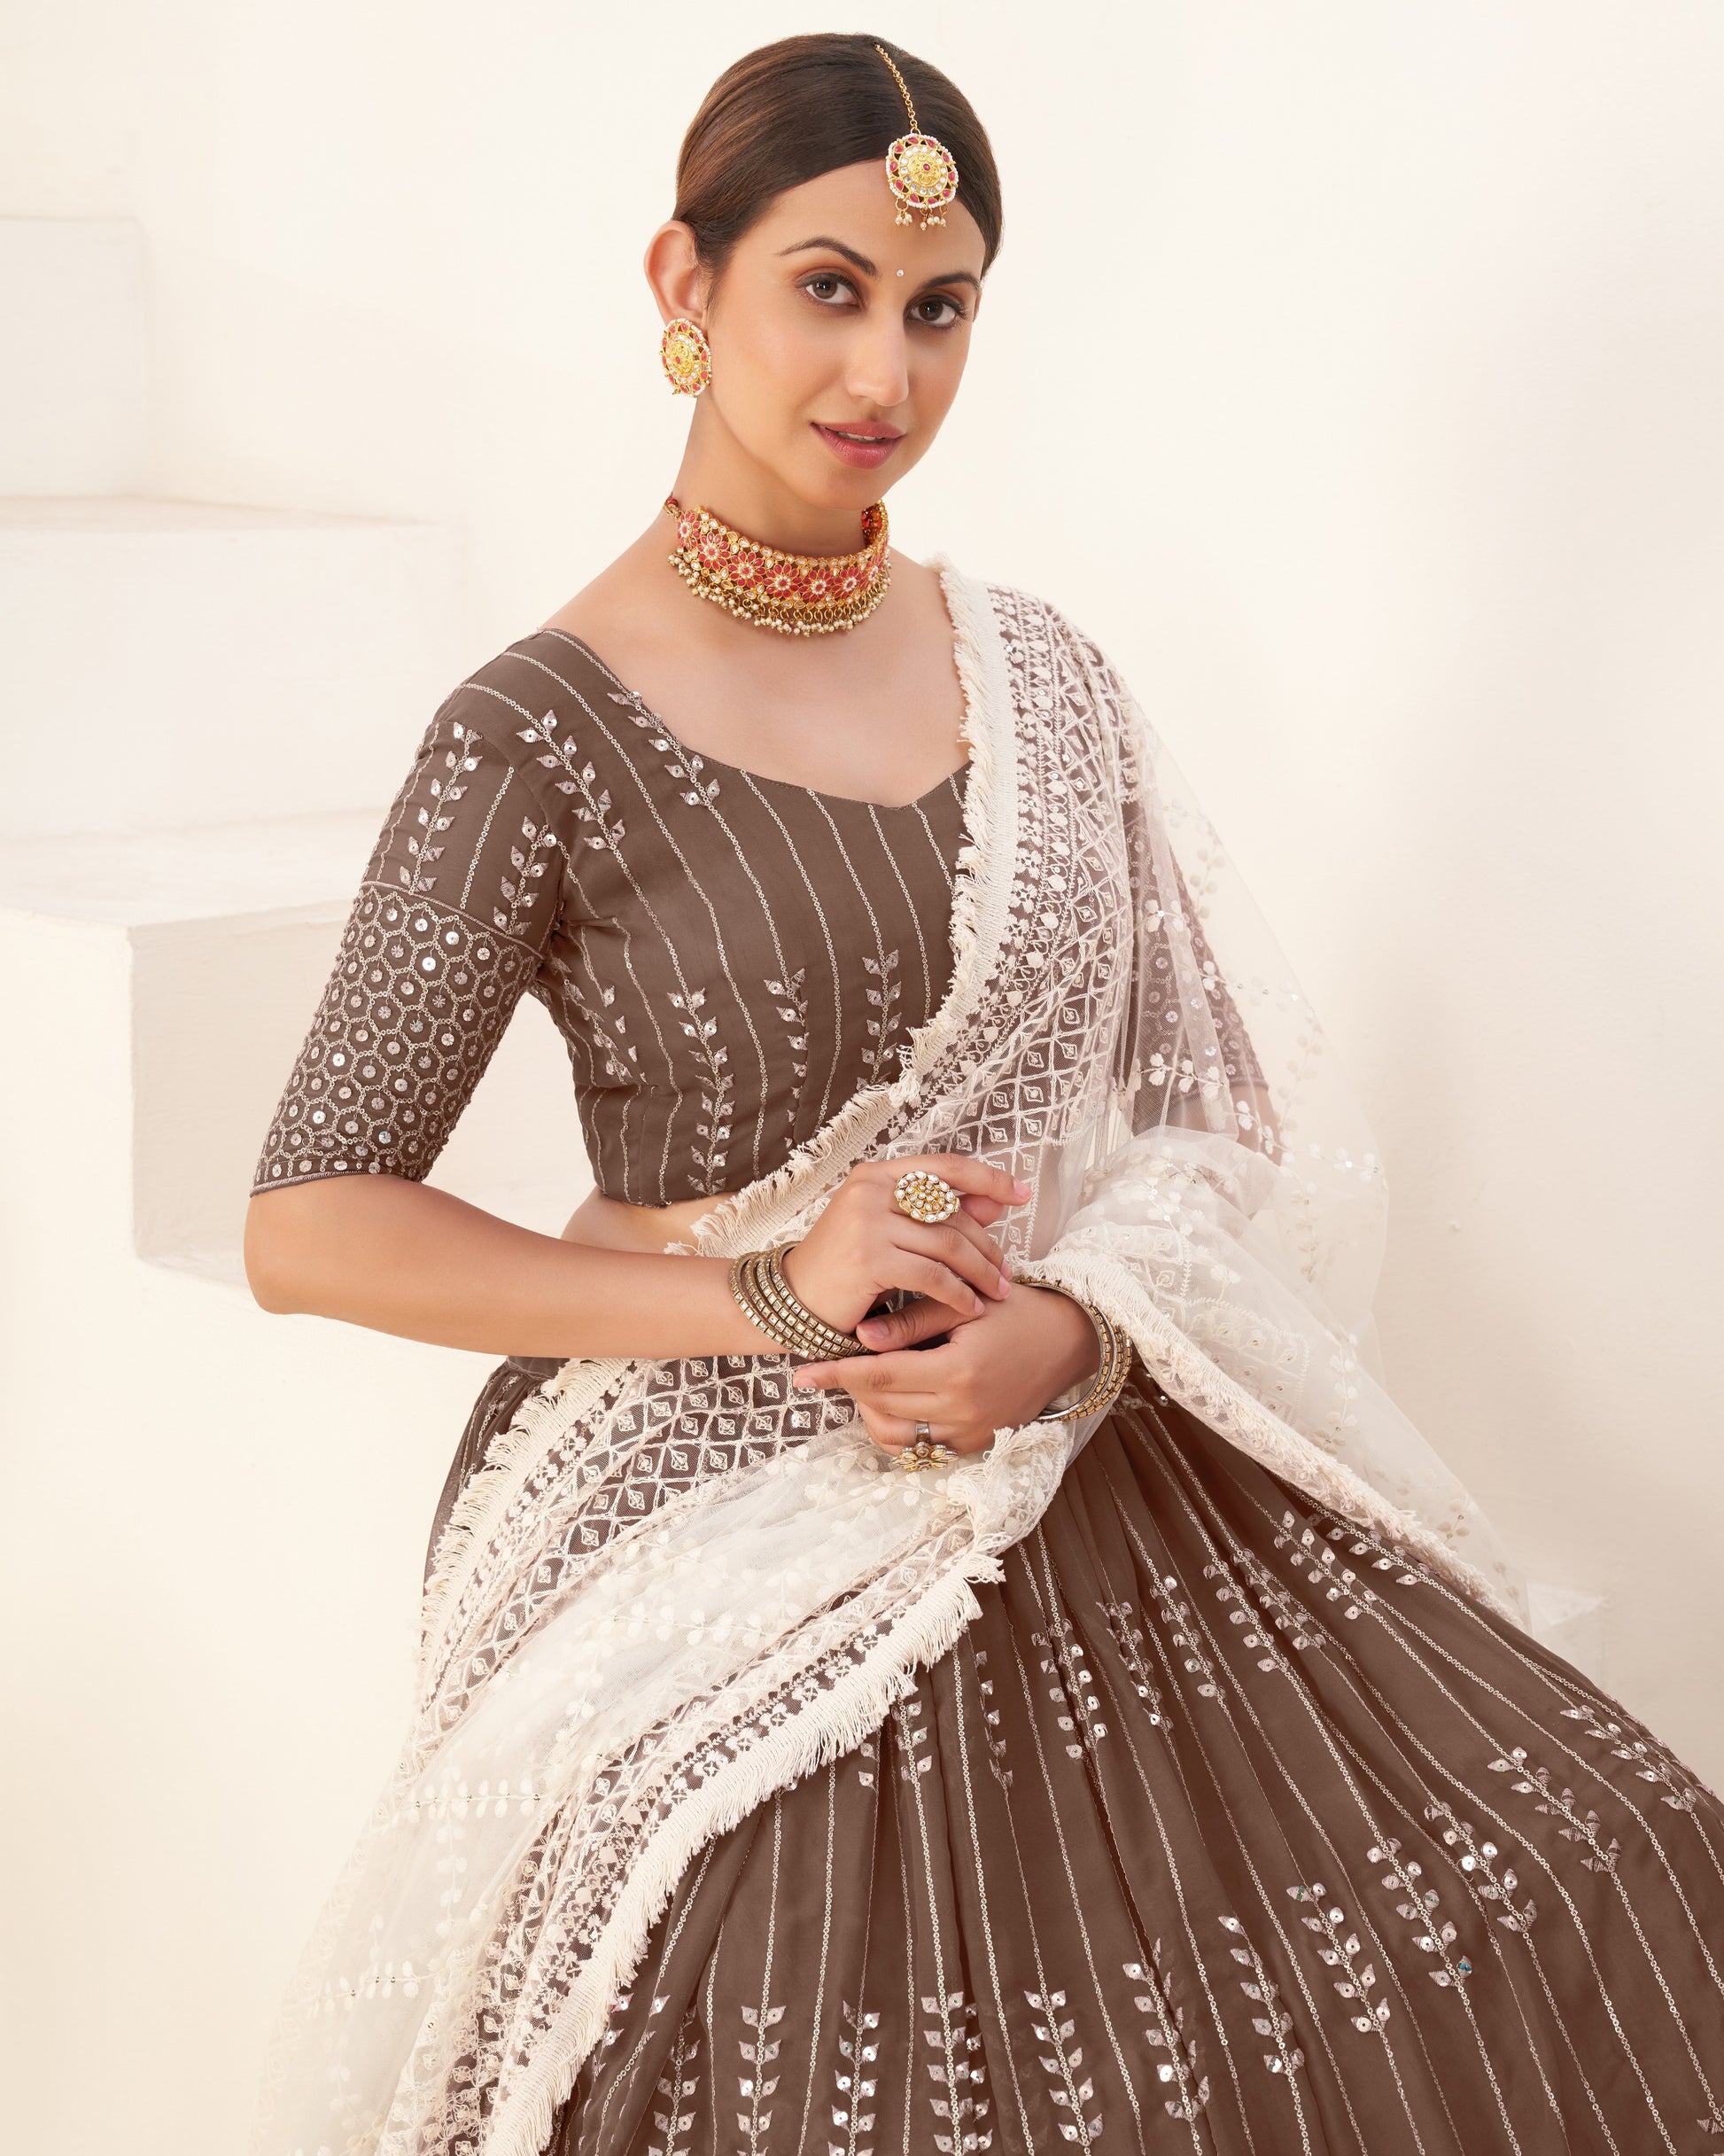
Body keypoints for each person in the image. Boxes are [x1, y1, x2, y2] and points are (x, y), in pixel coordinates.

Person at [245, 34, 1724, 2156]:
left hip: (1080, 1421)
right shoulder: (534, 738)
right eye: (826, 288)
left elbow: (1207, 1111)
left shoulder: (1035, 674)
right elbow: (311, 1219)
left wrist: (1075, 1330)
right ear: (683, 280)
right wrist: (772, 1294)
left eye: (938, 309)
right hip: (711, 1487)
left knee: (1609, 1849)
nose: (887, 371)